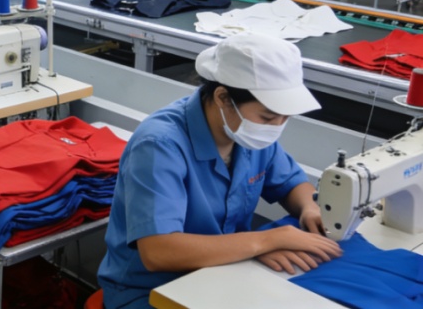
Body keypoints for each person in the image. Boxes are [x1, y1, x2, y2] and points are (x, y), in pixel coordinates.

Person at [97, 34, 344, 309]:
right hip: (151, 290)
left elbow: (291, 183)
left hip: (225, 271)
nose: (276, 127)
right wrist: (265, 241)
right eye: (267, 117)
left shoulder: (249, 135)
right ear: (223, 97)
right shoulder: (159, 145)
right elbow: (158, 251)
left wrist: (309, 208)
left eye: (285, 118)